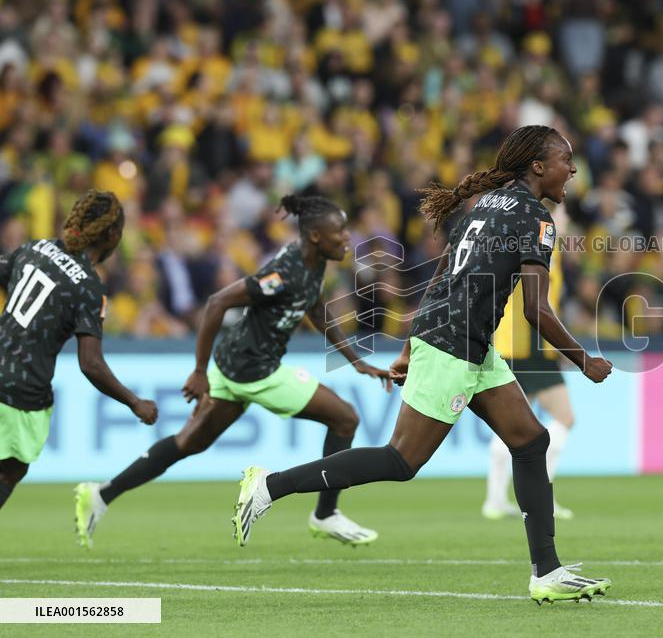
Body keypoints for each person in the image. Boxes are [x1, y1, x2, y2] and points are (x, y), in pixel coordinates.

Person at [231, 125, 614, 604]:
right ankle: (269, 486)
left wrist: (413, 343)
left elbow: (443, 271)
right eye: (565, 160)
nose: (572, 169)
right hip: (454, 343)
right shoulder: (534, 218)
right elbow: (535, 308)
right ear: (538, 166)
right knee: (401, 460)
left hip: (465, 342)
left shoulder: (486, 205)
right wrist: (583, 361)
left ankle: (547, 572)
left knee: (531, 440)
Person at [74, 192, 389, 548]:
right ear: (316, 236)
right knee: (345, 419)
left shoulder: (312, 264)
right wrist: (197, 370)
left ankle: (101, 494)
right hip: (257, 372)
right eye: (340, 232)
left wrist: (356, 360)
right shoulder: (283, 273)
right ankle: (324, 514)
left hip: (233, 365)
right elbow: (217, 301)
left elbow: (314, 307)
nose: (347, 237)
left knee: (187, 443)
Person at [0, 190, 158, 510]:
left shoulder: (33, 248)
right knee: (9, 471)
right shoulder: (88, 286)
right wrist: (135, 401)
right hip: (21, 390)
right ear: (112, 235)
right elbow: (90, 363)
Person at [484, 211, 576, 521]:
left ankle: (498, 500)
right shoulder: (534, 244)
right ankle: (528, 498)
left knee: (522, 424)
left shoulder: (550, 248)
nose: (564, 220)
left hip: (533, 347)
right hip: (524, 347)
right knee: (559, 418)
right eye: (561, 216)